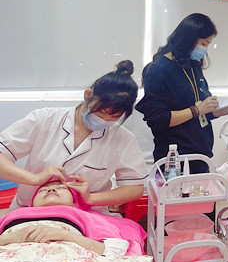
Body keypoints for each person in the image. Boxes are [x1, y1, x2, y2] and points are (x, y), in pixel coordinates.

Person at [0, 60, 147, 210]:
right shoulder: (45, 119)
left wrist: (90, 199)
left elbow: (134, 188)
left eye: (114, 117)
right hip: (29, 212)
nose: (105, 120)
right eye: (101, 113)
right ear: (88, 95)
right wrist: (34, 178)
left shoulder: (123, 139)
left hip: (86, 215)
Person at [136, 13, 228, 170]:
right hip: (174, 158)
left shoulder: (192, 65)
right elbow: (158, 120)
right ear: (188, 39)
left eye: (208, 44)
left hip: (200, 153)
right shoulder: (158, 70)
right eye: (203, 43)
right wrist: (196, 110)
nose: (205, 50)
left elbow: (205, 112)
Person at [0, 178, 130, 257]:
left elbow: (114, 249)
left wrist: (65, 235)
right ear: (32, 203)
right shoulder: (13, 215)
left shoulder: (81, 215)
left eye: (61, 188)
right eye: (42, 190)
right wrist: (11, 238)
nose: (51, 190)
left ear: (74, 203)